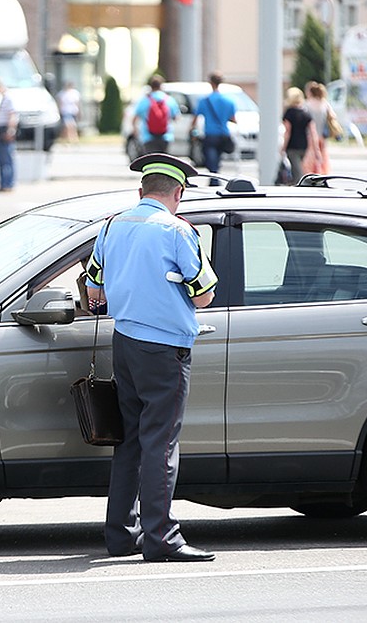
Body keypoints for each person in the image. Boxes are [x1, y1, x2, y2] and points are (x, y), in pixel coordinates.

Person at [85, 152, 219, 563]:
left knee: (129, 443)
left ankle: (122, 535)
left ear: (140, 191)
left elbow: (94, 289)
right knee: (160, 443)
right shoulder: (178, 232)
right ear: (177, 193)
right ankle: (161, 538)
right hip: (164, 350)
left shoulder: (112, 226)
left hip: (124, 343)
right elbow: (206, 294)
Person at [197, 72, 237, 184]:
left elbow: (196, 117)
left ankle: (214, 178)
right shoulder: (229, 101)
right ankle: (215, 177)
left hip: (210, 134)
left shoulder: (204, 101)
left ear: (210, 83)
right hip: (224, 133)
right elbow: (233, 119)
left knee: (210, 159)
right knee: (218, 158)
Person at [280, 86, 321, 185]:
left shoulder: (289, 113)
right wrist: (317, 150)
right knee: (299, 168)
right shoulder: (306, 112)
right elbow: (313, 132)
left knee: (297, 171)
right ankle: (298, 185)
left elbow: (287, 132)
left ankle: (299, 187)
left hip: (292, 145)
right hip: (303, 145)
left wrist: (283, 147)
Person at [132, 75, 181, 156]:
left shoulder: (145, 100)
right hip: (166, 136)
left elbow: (135, 118)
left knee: (151, 161)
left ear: (151, 86)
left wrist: (135, 131)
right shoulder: (169, 100)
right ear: (161, 86)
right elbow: (176, 117)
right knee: (163, 161)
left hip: (148, 136)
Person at [304, 81, 337, 176]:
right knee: (322, 157)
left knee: (310, 158)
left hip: (310, 135)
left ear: (310, 92)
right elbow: (333, 116)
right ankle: (321, 174)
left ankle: (310, 175)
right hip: (323, 135)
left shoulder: (307, 104)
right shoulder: (325, 104)